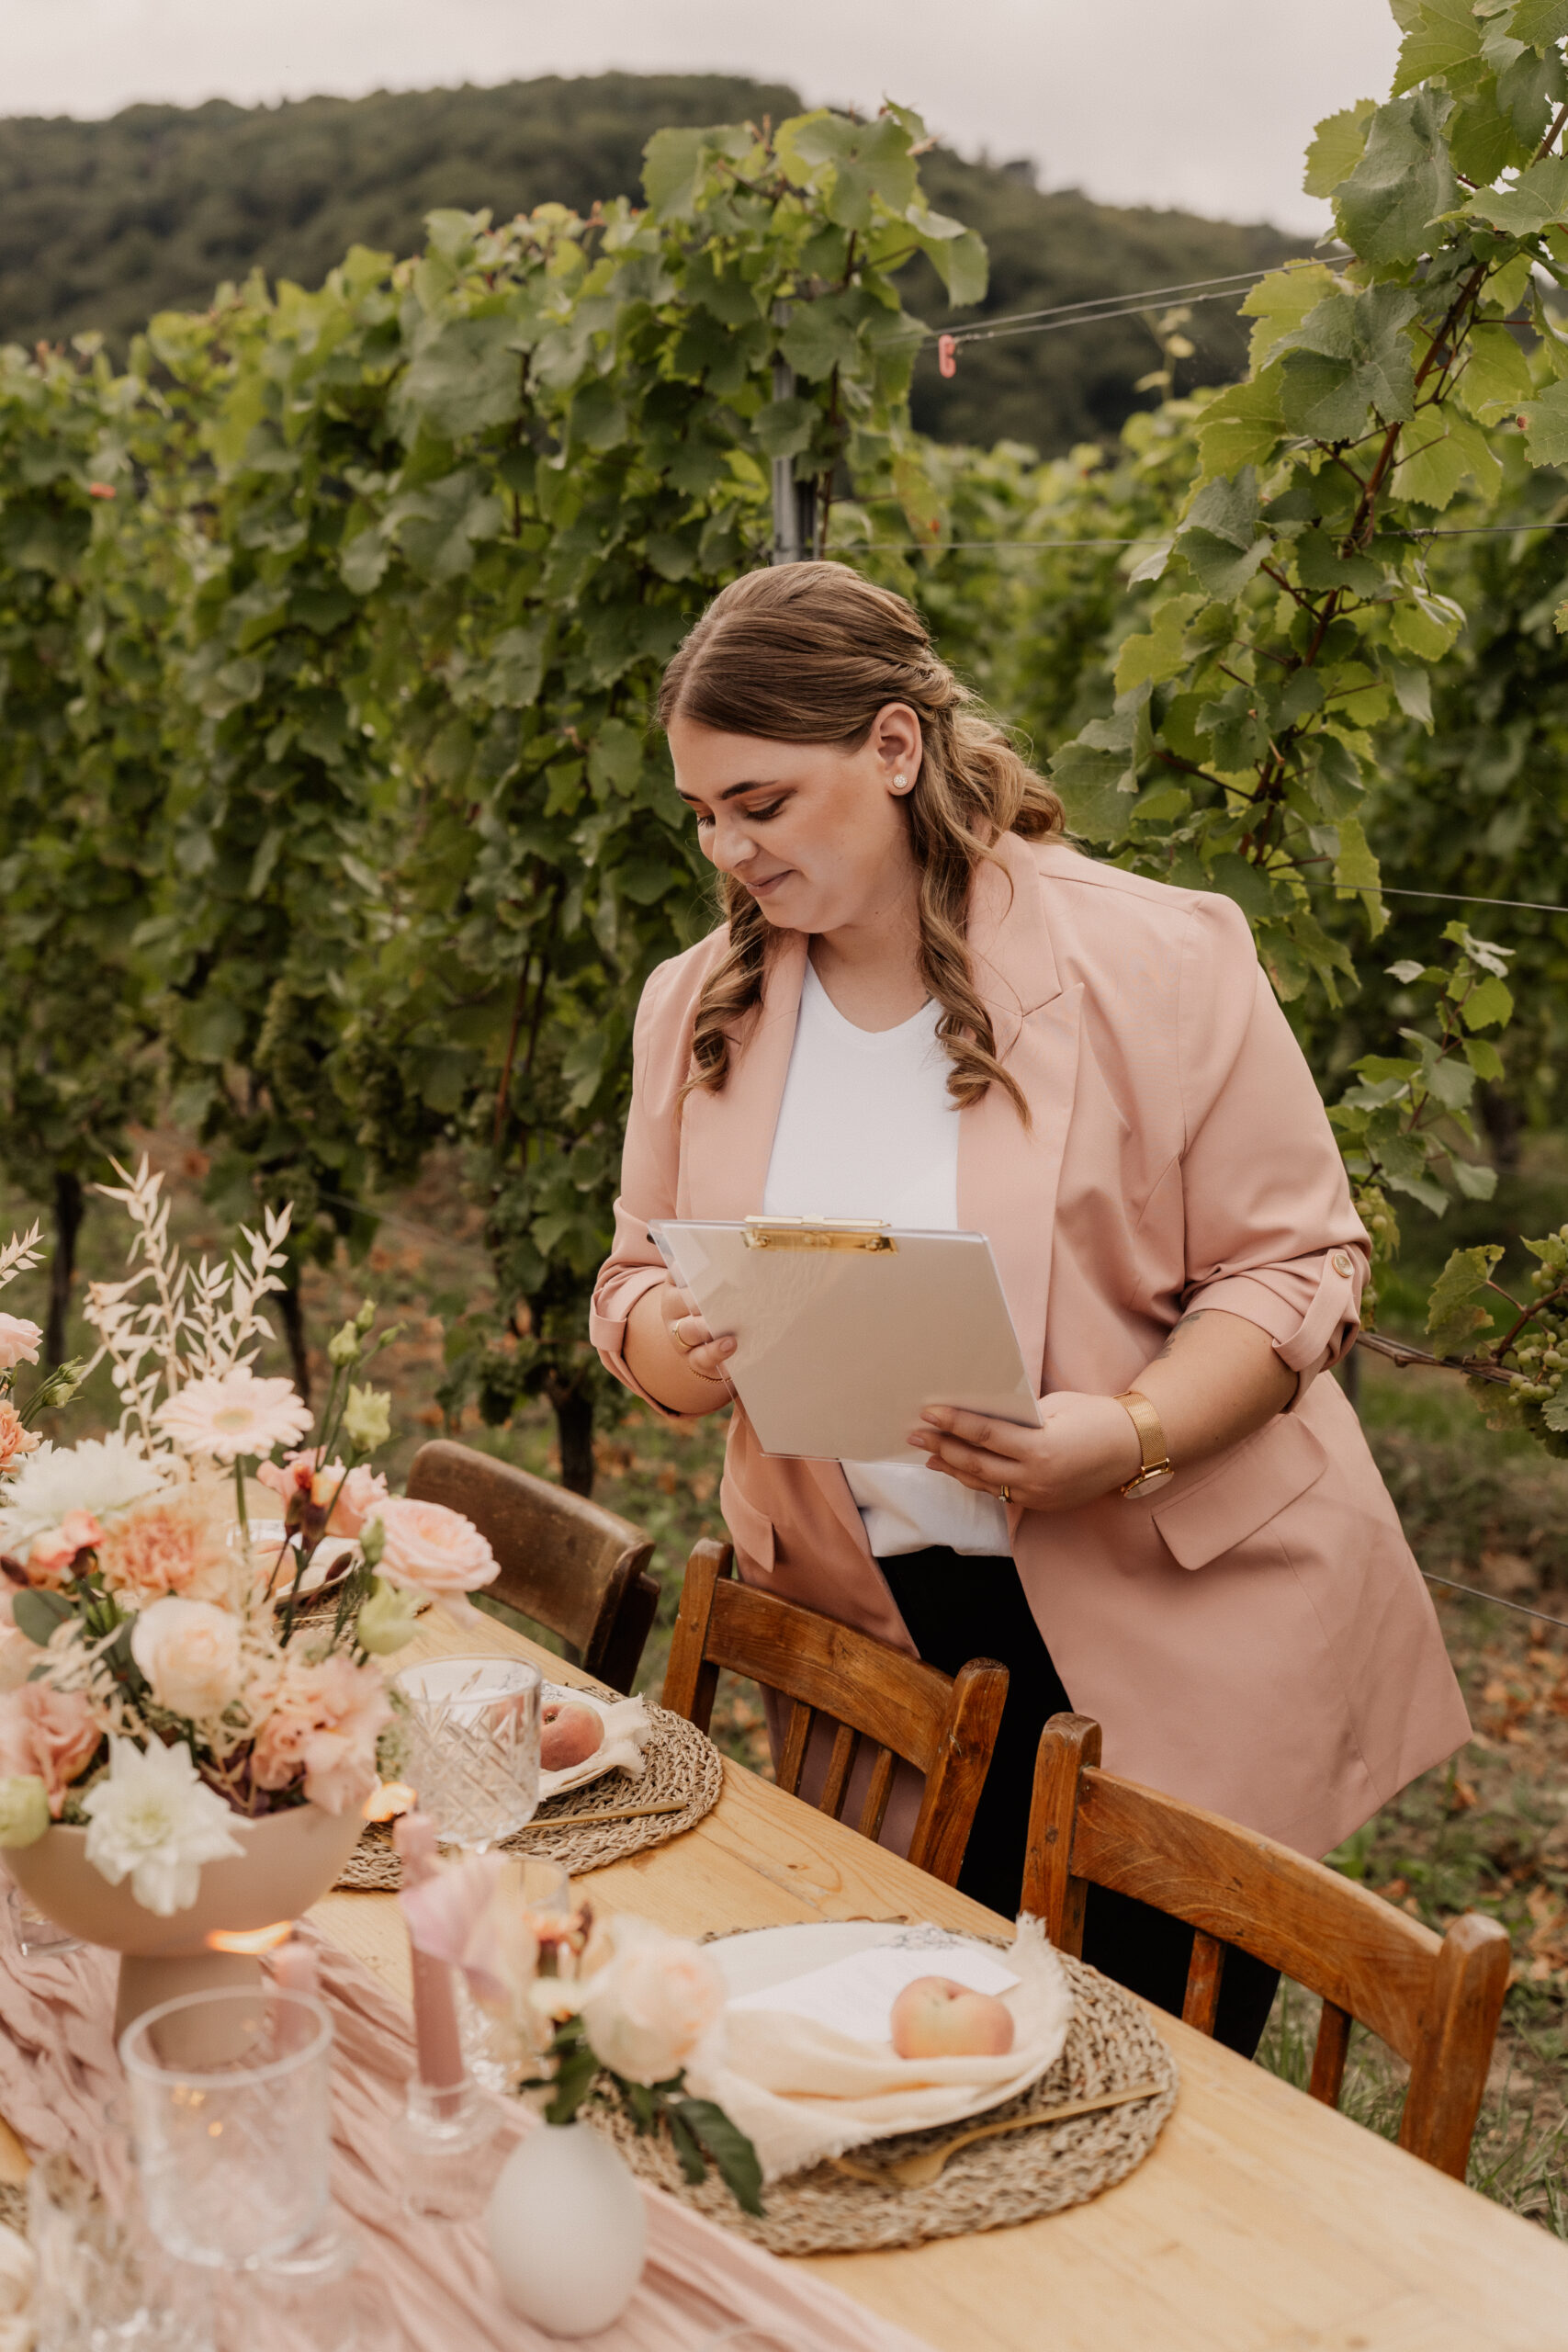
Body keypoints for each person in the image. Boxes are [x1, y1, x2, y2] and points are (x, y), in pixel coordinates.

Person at [590, 562, 1469, 2057]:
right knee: (916, 2055)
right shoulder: (700, 1002)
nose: (728, 850)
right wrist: (671, 1350)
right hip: (878, 1635)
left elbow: (1295, 1269)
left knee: (1147, 2073)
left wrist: (1124, 1432)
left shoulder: (1155, 958)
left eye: (761, 803)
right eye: (702, 815)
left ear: (892, 747)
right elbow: (632, 1278)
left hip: (1164, 1616)